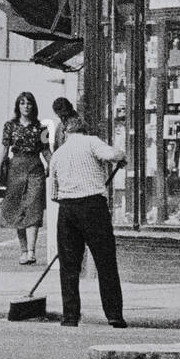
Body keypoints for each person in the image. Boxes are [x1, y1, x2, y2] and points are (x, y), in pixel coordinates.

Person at [48, 115, 126, 328]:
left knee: (69, 266)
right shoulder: (91, 141)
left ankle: (70, 316)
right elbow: (112, 154)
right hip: (93, 207)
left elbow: (53, 193)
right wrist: (121, 156)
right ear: (84, 129)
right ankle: (114, 315)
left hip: (67, 210)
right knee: (105, 262)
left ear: (65, 132)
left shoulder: (58, 154)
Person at [0, 91, 50, 264]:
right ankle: (23, 250)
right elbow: (4, 148)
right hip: (16, 168)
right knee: (18, 208)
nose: (25, 106)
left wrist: (53, 165)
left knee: (34, 206)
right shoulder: (9, 125)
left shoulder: (42, 128)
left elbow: (46, 150)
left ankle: (32, 252)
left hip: (35, 167)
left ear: (33, 106)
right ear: (17, 106)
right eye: (22, 103)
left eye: (29, 103)